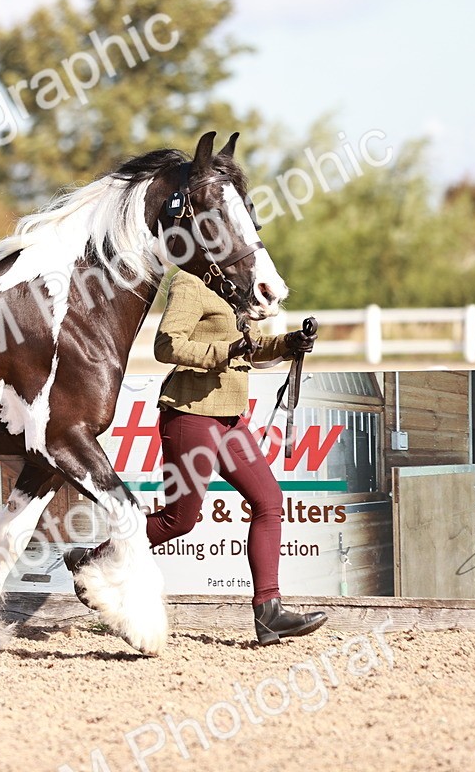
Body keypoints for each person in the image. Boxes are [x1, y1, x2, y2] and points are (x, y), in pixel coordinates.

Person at [67, 269, 326, 646]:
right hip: (191, 416)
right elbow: (166, 346)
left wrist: (290, 342)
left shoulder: (234, 290)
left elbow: (248, 348)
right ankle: (93, 561)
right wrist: (226, 351)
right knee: (179, 520)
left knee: (269, 500)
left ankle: (269, 612)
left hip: (230, 420)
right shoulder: (190, 284)